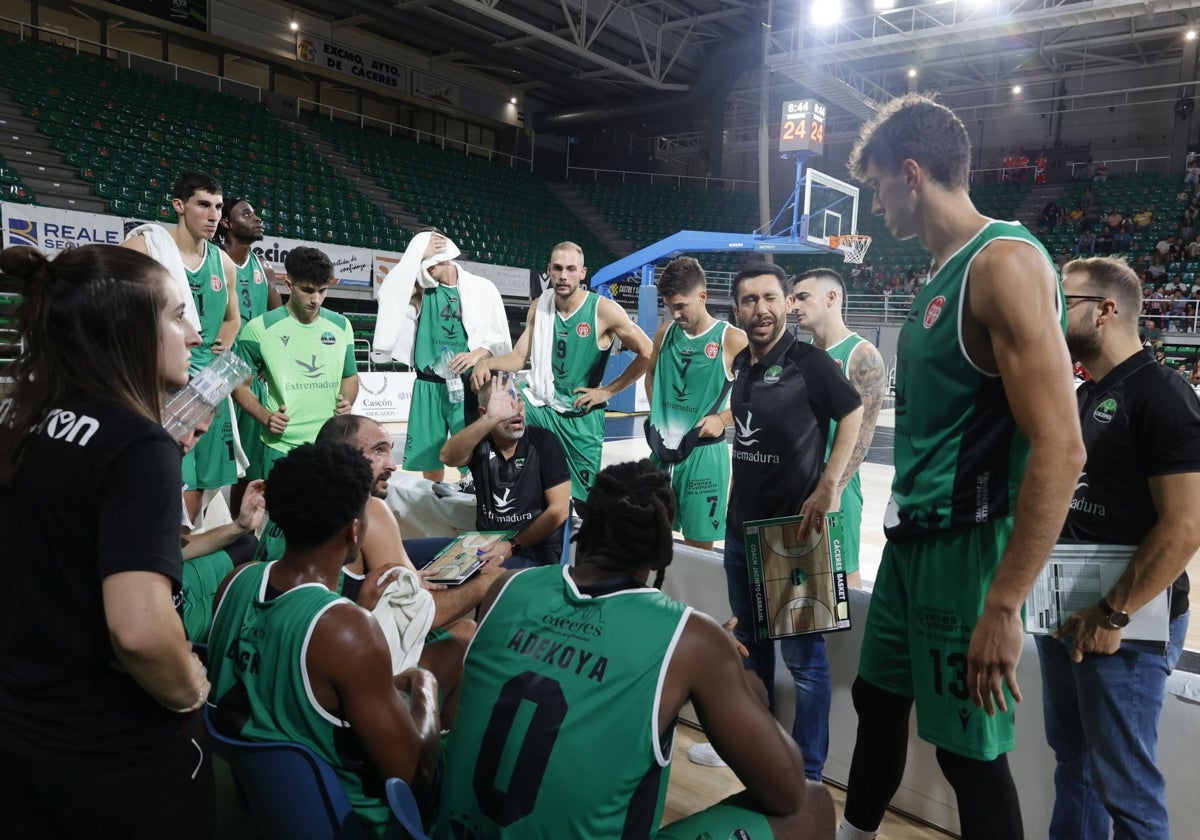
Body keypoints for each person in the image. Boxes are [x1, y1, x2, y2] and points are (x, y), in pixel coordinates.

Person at [837, 93, 1085, 840]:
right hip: (914, 542)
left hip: (967, 548)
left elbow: (1063, 446)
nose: (875, 203)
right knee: (877, 706)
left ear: (911, 175)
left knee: (967, 757)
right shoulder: (941, 275)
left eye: (878, 183)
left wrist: (1005, 604)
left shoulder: (1002, 262)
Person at [432, 460, 835, 840]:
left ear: (586, 527)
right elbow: (787, 793)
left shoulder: (509, 588)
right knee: (813, 805)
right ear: (664, 552)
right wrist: (743, 691)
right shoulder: (694, 640)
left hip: (454, 830)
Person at [0, 244, 213, 836]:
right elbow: (140, 630)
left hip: (23, 736)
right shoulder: (136, 447)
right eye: (175, 315)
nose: (193, 333)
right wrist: (188, 688)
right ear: (128, 330)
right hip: (111, 758)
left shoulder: (22, 420)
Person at [1035, 257, 1200, 840]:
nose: (1052, 313)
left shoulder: (1163, 396)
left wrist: (1114, 613)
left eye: (1065, 301)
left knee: (1127, 791)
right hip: (1066, 611)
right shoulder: (1085, 394)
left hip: (1123, 624)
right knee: (1074, 769)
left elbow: (1184, 527)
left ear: (1105, 310)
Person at [207, 442, 441, 839]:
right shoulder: (345, 630)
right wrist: (426, 686)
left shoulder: (237, 581)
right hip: (355, 822)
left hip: (267, 811)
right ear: (354, 529)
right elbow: (414, 774)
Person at [694, 262, 863, 781]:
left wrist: (829, 484)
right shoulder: (742, 362)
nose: (760, 309)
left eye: (770, 298)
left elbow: (853, 413)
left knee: (806, 666)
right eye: (749, 300)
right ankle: (753, 752)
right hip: (741, 531)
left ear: (787, 303)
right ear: (737, 309)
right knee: (749, 649)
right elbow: (744, 427)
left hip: (795, 534)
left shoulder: (810, 363)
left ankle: (809, 776)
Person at [471, 241, 653, 502]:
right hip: (542, 404)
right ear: (549, 270)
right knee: (494, 402)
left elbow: (647, 351)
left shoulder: (603, 311)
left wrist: (607, 391)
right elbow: (520, 357)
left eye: (571, 269)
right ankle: (487, 477)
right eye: (557, 268)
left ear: (582, 273)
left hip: (579, 413)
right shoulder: (540, 305)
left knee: (585, 502)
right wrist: (484, 363)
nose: (563, 275)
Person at [125, 170, 242, 525]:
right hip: (164, 382)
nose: (214, 215)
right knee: (168, 472)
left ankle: (188, 548)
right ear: (179, 205)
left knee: (204, 481)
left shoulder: (223, 262)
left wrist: (226, 341)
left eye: (219, 207)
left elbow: (233, 317)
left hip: (210, 382)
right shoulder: (146, 248)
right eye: (203, 205)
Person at [315, 413, 504, 631]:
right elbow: (417, 614)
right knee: (465, 631)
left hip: (310, 631)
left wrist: (411, 576)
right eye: (379, 450)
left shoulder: (295, 499)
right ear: (343, 455)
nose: (393, 465)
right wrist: (484, 584)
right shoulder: (368, 508)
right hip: (345, 643)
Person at [374, 231, 511, 483]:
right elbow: (388, 294)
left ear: (446, 258)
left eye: (432, 264)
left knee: (472, 454)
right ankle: (432, 501)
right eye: (424, 264)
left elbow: (500, 339)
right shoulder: (420, 290)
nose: (428, 270)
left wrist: (477, 354)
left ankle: (473, 499)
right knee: (430, 458)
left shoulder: (482, 288)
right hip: (429, 383)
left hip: (468, 385)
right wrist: (416, 254)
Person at [789, 268, 887, 589]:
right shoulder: (796, 355)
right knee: (798, 580)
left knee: (840, 580)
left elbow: (863, 436)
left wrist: (834, 490)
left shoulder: (861, 356)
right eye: (793, 299)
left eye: (803, 297)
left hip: (833, 488)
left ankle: (850, 641)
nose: (794, 306)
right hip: (795, 485)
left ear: (831, 298)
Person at [644, 256, 747, 550]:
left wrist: (723, 419)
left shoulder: (731, 339)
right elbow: (650, 376)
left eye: (680, 306)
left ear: (702, 297)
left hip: (703, 456)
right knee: (651, 540)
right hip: (661, 451)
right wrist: (657, 415)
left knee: (698, 546)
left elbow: (762, 395)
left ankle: (696, 599)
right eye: (669, 306)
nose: (674, 314)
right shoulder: (665, 333)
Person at [232, 245, 358, 479]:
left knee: (328, 514)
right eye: (308, 290)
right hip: (281, 446)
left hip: (330, 443)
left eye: (322, 290)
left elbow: (349, 375)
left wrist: (347, 401)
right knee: (280, 515)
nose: (316, 299)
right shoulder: (259, 329)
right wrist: (265, 417)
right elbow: (239, 385)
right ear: (289, 285)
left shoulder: (341, 326)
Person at [439, 374, 571, 567]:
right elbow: (447, 457)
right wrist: (490, 419)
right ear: (485, 412)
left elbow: (559, 510)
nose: (515, 408)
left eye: (518, 399)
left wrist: (512, 545)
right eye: (503, 403)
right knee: (411, 555)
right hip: (484, 544)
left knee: (477, 581)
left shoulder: (543, 441)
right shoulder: (479, 441)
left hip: (533, 550)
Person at [217, 196, 282, 516]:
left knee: (253, 472)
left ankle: (238, 533)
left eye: (255, 213)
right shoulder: (213, 260)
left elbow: (278, 322)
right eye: (247, 214)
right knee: (210, 472)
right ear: (226, 223)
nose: (256, 218)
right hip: (217, 376)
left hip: (252, 380)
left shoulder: (264, 267)